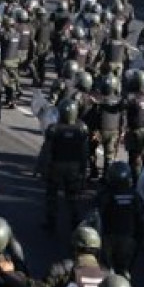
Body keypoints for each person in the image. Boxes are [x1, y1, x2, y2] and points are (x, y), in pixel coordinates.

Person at [40, 98, 89, 232]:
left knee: (52, 194)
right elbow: (85, 152)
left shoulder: (54, 129)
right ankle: (75, 220)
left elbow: (47, 150)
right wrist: (83, 170)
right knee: (72, 196)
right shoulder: (81, 129)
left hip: (56, 165)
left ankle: (51, 222)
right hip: (74, 167)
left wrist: (43, 168)